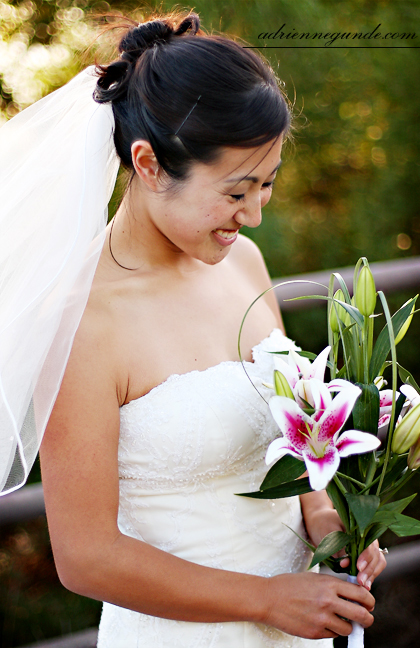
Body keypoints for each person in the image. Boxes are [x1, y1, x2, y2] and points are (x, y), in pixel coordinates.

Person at [2, 10, 386, 647]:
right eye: (237, 191)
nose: (256, 215)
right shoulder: (80, 324)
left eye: (267, 184)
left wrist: (326, 518)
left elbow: (283, 444)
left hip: (305, 624)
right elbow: (85, 556)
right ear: (149, 164)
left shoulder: (246, 264)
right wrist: (266, 599)